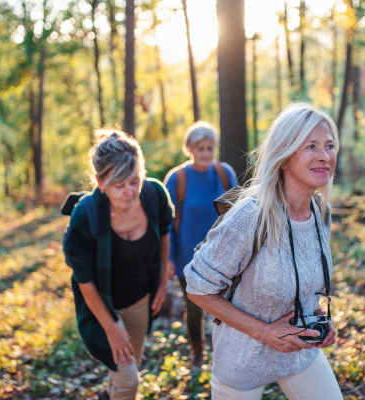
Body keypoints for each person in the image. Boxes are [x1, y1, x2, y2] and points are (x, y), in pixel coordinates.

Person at [184, 103, 344, 399]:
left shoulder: (321, 211)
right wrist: (264, 331)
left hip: (300, 353)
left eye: (329, 146)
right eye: (311, 146)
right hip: (242, 362)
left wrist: (317, 315)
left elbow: (302, 276)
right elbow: (196, 287)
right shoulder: (249, 217)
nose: (325, 156)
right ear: (284, 157)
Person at [63, 130, 174, 400]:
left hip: (140, 299)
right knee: (129, 381)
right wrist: (112, 328)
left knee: (126, 366)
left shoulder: (154, 194)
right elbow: (84, 280)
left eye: (135, 181)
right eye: (119, 185)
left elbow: (164, 236)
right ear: (101, 183)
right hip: (102, 305)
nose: (130, 192)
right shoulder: (86, 215)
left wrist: (161, 286)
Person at [164, 121, 237, 368]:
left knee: (227, 308)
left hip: (223, 255)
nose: (206, 153)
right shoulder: (177, 179)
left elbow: (239, 214)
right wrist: (169, 258)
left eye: (209, 148)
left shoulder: (225, 173)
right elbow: (167, 223)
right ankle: (197, 352)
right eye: (200, 148)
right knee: (195, 308)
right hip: (189, 257)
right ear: (190, 149)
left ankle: (225, 354)